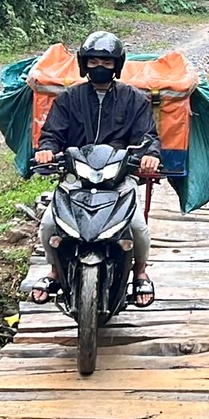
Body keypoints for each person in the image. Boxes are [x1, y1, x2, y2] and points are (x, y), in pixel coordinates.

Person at [29, 30, 161, 307]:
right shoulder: (68, 98)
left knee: (137, 226)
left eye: (106, 62)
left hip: (119, 177)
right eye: (93, 62)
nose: (99, 67)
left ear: (117, 65)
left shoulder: (134, 99)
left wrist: (150, 155)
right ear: (84, 63)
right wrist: (46, 150)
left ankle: (140, 272)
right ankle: (55, 271)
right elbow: (53, 133)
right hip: (77, 176)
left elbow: (147, 136)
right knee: (49, 225)